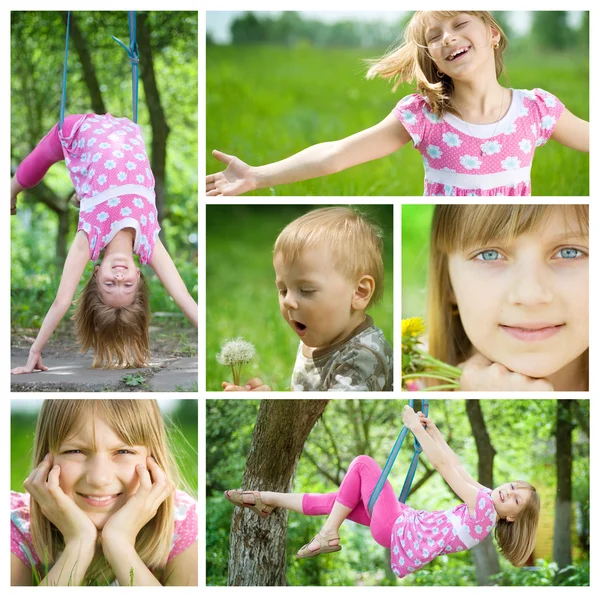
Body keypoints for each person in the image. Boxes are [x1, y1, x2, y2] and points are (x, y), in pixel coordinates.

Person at [206, 11, 588, 197]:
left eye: (459, 24)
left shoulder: (538, 110)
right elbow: (336, 155)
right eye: (434, 36)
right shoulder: (423, 115)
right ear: (432, 58)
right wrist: (259, 175)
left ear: (491, 32)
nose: (448, 39)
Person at [225, 405, 540, 579]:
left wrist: (415, 429)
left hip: (398, 527)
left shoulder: (485, 509)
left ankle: (328, 533)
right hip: (400, 526)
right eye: (511, 487)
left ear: (512, 518)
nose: (507, 493)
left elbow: (445, 469)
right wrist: (434, 432)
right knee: (337, 502)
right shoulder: (485, 506)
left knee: (362, 464)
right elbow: (456, 465)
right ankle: (265, 500)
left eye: (515, 500)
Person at [11, 113, 198, 373]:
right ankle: (81, 196)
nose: (119, 276)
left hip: (78, 129)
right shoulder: (148, 242)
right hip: (126, 129)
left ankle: (11, 191)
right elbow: (183, 296)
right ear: (138, 275)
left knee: (37, 163)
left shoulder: (90, 236)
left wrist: (34, 350)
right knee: (87, 191)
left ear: (97, 273)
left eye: (110, 284)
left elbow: (62, 301)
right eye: (127, 283)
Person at [10, 399, 198, 586]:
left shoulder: (182, 521)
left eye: (123, 451)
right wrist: (79, 543)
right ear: (47, 458)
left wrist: (119, 543)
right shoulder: (14, 525)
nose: (99, 479)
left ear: (153, 460)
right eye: (75, 451)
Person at [222, 207, 393, 391]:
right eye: (283, 290)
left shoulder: (362, 359)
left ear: (359, 292)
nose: (288, 301)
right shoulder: (319, 334)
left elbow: (327, 408)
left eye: (306, 290)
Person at [424, 204, 588, 391]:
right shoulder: (402, 376)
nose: (530, 295)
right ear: (448, 281)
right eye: (489, 255)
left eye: (570, 252)